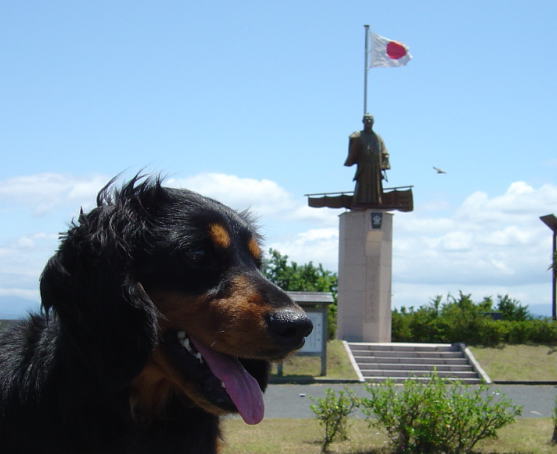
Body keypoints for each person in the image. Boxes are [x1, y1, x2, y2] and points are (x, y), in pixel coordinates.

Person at [344, 114, 390, 205]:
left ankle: (376, 201)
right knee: (363, 185)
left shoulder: (378, 137)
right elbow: (353, 147)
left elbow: (384, 151)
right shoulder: (359, 135)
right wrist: (353, 138)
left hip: (375, 167)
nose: (368, 122)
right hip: (364, 166)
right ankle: (361, 201)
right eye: (367, 120)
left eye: (370, 120)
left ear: (373, 122)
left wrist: (385, 161)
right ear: (363, 122)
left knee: (375, 186)